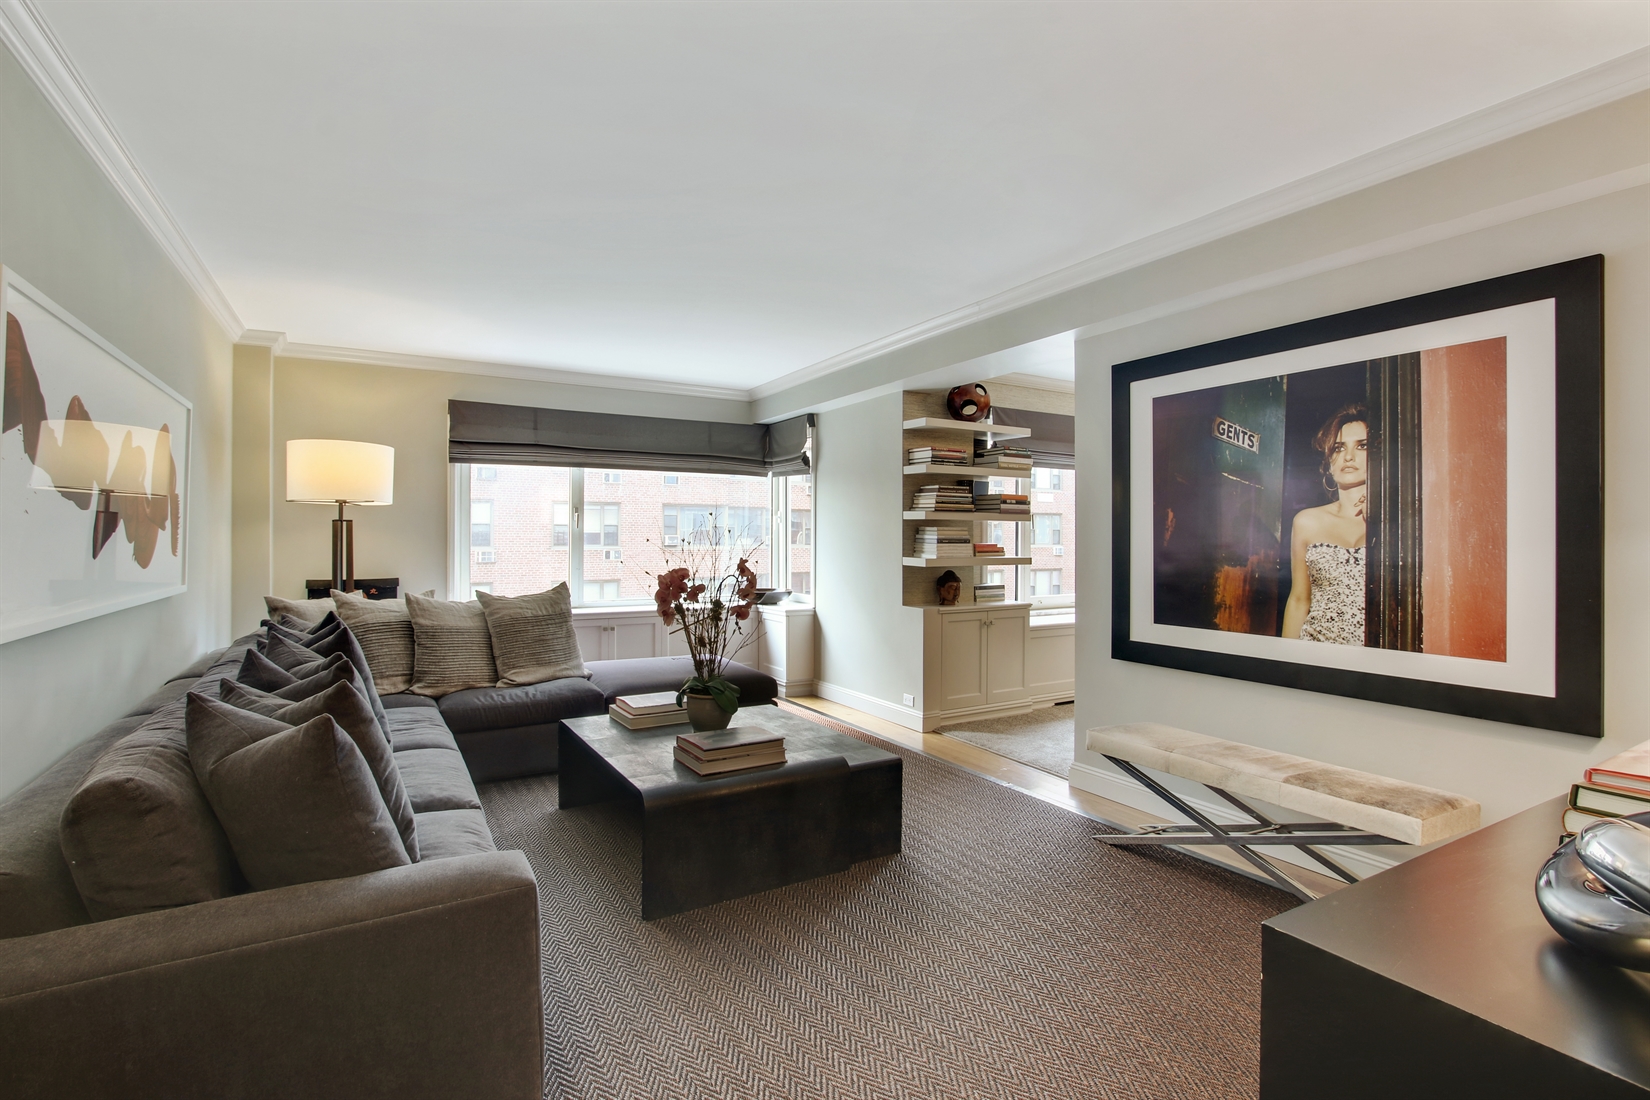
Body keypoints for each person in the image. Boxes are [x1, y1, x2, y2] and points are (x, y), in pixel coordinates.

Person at [1281, 405, 1369, 645]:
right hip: (1315, 653)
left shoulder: (1395, 523)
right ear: (1329, 461)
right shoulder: (1307, 522)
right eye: (1339, 448)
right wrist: (1285, 660)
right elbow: (1299, 600)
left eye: (1362, 446)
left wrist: (1383, 518)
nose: (1348, 456)